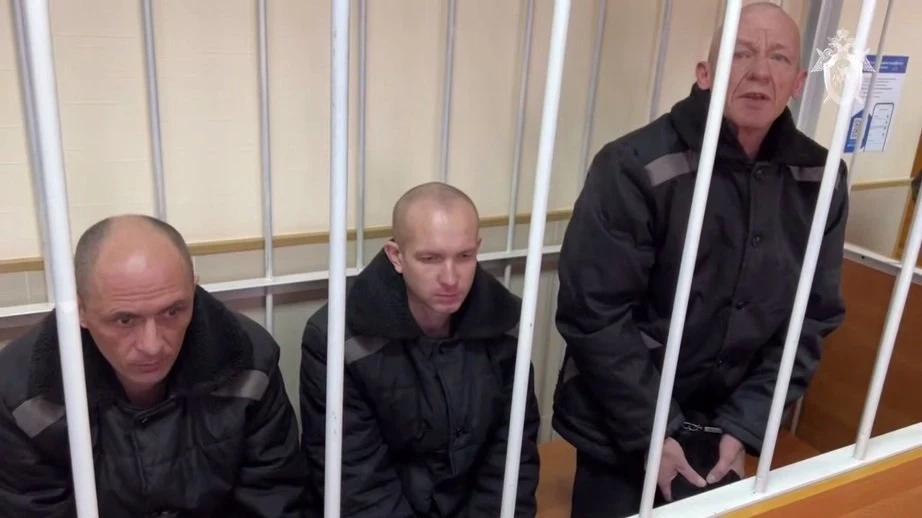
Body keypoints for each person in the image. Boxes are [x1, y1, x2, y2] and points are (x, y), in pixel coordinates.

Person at [552, 3, 848, 516]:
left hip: (726, 427)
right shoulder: (635, 165)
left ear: (799, 82)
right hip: (622, 423)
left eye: (779, 58)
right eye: (741, 53)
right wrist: (656, 430)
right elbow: (594, 313)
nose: (760, 72)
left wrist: (746, 422)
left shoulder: (820, 178)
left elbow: (812, 316)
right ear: (705, 73)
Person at [0, 215, 310, 517]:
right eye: (124, 320)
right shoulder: (21, 395)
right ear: (80, 310)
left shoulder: (248, 358)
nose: (152, 345)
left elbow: (272, 497)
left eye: (173, 312)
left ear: (193, 290)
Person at [299, 182, 541, 517]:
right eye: (430, 258)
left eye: (465, 256)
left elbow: (512, 455)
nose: (451, 278)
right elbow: (356, 480)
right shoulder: (338, 339)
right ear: (396, 256)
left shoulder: (507, 322)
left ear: (477, 249)